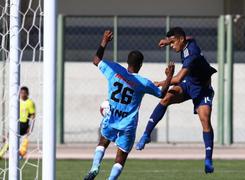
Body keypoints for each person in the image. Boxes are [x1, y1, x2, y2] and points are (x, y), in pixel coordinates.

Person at [84, 30, 174, 180]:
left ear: (127, 62)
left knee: (103, 141)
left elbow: (96, 60)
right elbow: (161, 94)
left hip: (112, 117)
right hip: (128, 124)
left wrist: (104, 42)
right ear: (140, 65)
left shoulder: (114, 69)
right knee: (121, 155)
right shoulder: (142, 83)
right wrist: (169, 76)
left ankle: (94, 167)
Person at [136, 27, 217, 173]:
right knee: (166, 98)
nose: (172, 46)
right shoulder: (188, 41)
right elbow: (188, 36)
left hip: (203, 89)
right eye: (171, 43)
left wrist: (161, 82)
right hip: (188, 84)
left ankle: (208, 159)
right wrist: (167, 41)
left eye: (173, 43)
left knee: (205, 119)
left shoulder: (191, 54)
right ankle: (146, 135)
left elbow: (178, 78)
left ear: (180, 40)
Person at [0, 86, 36, 159]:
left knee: (16, 139)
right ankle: (19, 153)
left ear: (27, 93)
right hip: (16, 123)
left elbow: (33, 115)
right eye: (21, 93)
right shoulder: (17, 101)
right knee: (11, 139)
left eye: (24, 93)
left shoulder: (30, 103)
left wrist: (30, 127)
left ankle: (19, 153)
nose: (22, 94)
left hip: (24, 124)